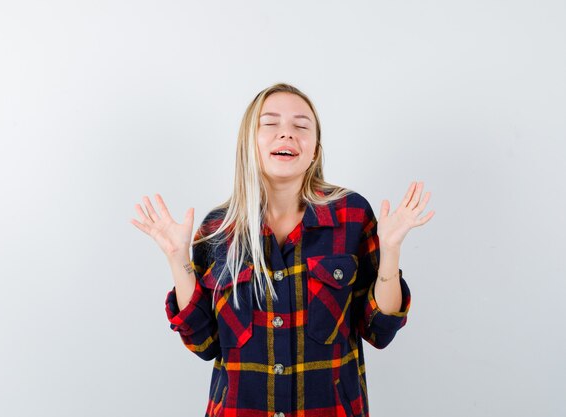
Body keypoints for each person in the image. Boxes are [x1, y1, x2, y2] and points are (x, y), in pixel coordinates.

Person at [131, 83, 434, 417]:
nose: (286, 134)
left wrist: (390, 250)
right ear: (249, 143)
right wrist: (177, 259)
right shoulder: (217, 230)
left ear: (315, 150)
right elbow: (203, 342)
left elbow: (380, 331)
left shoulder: (351, 215)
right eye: (271, 124)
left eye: (301, 126)